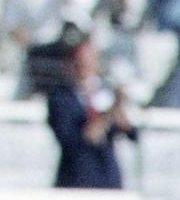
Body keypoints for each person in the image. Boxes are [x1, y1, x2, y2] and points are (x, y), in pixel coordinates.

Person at [47, 33, 136, 189]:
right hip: (76, 180)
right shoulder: (61, 98)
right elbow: (82, 139)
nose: (85, 66)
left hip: (108, 179)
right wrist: (111, 111)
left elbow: (131, 133)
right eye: (81, 61)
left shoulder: (105, 93)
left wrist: (120, 114)